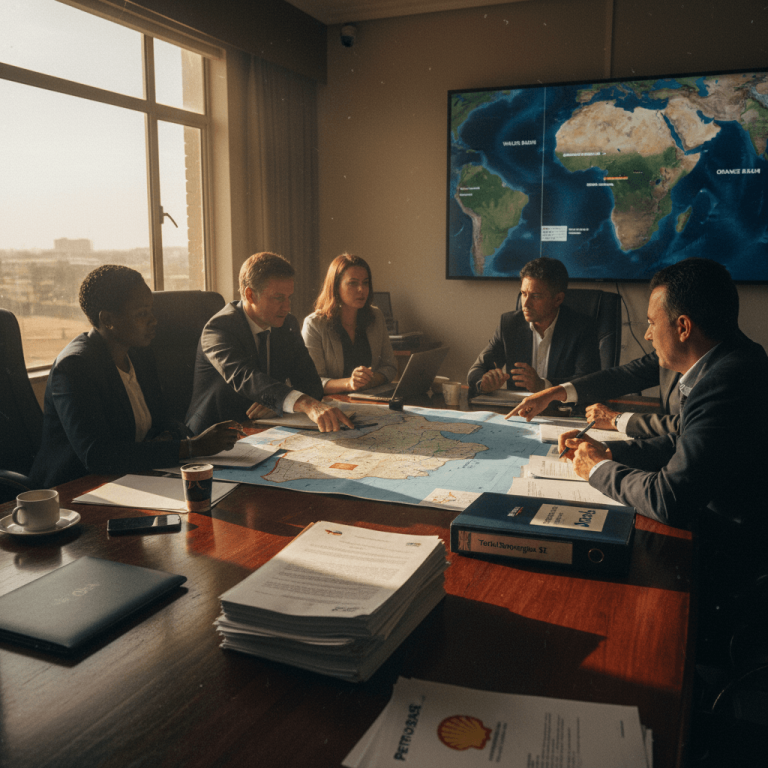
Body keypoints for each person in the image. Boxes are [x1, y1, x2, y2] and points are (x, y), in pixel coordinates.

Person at [30, 265, 240, 488]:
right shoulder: (75, 366)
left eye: (151, 310)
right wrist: (192, 447)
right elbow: (97, 455)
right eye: (142, 313)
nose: (153, 320)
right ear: (108, 319)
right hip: (75, 490)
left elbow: (161, 419)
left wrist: (170, 434)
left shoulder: (137, 353)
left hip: (131, 478)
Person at [185, 252, 353, 434]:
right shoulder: (219, 328)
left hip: (264, 430)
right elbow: (246, 377)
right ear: (250, 295)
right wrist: (302, 402)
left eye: (289, 297)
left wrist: (278, 402)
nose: (287, 307)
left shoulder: (287, 324)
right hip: (214, 437)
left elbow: (311, 384)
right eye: (278, 298)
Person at [467, 257, 600, 397]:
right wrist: (484, 383)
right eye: (524, 294)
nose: (526, 304)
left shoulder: (582, 328)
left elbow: (587, 383)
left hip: (562, 411)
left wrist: (543, 386)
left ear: (558, 299)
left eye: (535, 296)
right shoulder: (509, 324)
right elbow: (476, 370)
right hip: (519, 412)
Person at [508, 350, 681, 438]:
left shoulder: (707, 375)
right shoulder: (669, 354)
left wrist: (616, 419)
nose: (647, 335)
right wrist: (553, 393)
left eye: (653, 323)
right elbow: (623, 376)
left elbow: (687, 426)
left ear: (683, 327)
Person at [301, 254, 397, 394]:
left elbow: (390, 366)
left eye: (365, 283)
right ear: (335, 287)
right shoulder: (314, 324)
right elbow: (312, 381)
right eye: (353, 283)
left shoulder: (376, 316)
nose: (361, 289)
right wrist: (349, 383)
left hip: (372, 399)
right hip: (335, 404)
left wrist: (369, 381)